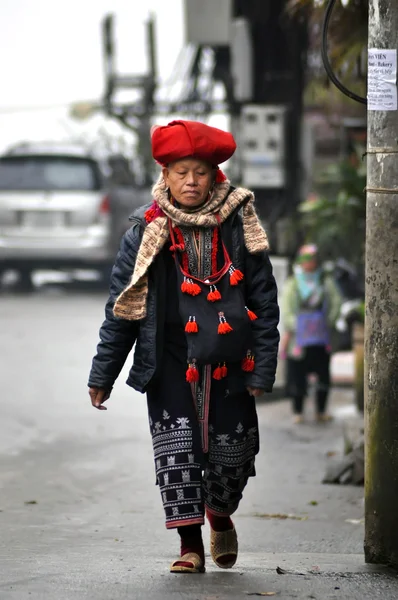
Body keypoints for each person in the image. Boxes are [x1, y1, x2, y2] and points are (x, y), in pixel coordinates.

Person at [87, 120, 280, 574]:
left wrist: (262, 369)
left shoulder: (239, 224)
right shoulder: (144, 231)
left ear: (215, 175)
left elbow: (265, 303)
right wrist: (103, 374)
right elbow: (123, 307)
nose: (191, 182)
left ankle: (220, 514)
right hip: (170, 358)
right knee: (178, 452)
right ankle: (189, 546)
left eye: (200, 172)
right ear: (165, 176)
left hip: (232, 359)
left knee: (232, 456)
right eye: (180, 172)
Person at [280, 244, 342, 424]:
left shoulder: (324, 281)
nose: (310, 264)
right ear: (301, 262)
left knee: (323, 374)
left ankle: (321, 411)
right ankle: (297, 411)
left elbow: (336, 301)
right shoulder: (293, 283)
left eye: (313, 260)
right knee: (297, 375)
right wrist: (297, 325)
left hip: (321, 338)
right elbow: (287, 309)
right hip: (298, 339)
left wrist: (326, 322)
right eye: (306, 260)